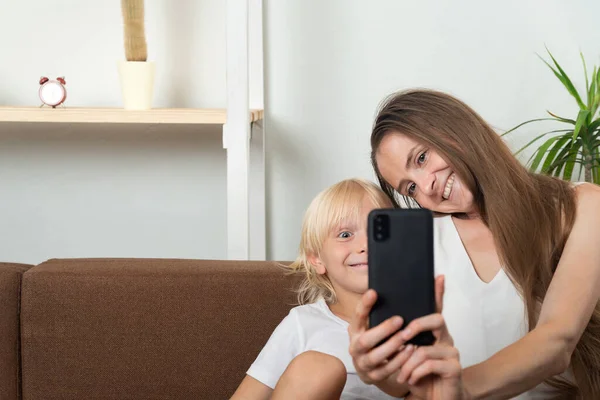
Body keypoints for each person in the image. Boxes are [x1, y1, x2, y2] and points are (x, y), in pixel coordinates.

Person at [348, 88, 600, 399]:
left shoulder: (584, 206)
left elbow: (557, 341)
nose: (427, 186)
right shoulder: (422, 245)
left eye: (422, 158)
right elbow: (412, 384)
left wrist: (458, 389)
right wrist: (379, 372)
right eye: (410, 188)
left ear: (455, 126)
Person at [231, 178, 461, 400]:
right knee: (317, 368)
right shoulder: (302, 323)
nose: (364, 245)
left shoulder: (421, 322)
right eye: (345, 235)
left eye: (376, 233)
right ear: (316, 259)